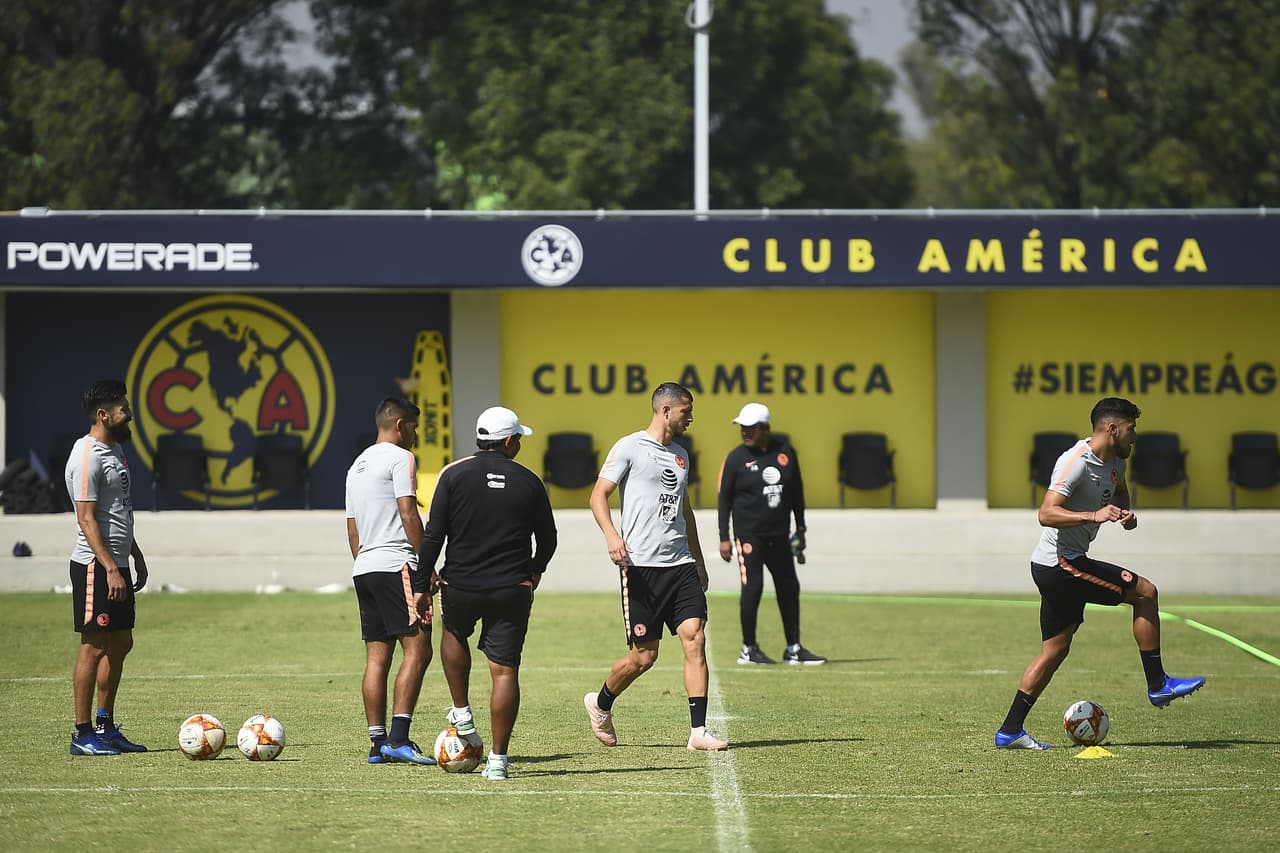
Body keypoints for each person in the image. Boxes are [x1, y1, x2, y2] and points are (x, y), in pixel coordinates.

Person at [995, 397, 1206, 750]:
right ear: (1113, 428)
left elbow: (1118, 493)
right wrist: (1094, 516)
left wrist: (1125, 513)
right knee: (1146, 592)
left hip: (1063, 563)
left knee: (1055, 651)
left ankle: (1010, 731)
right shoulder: (1075, 461)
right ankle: (1158, 684)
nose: (1134, 436)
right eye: (1131, 428)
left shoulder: (1116, 462)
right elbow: (1047, 514)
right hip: (1060, 563)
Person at [583, 382, 727, 751]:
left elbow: (685, 510)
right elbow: (598, 494)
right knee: (643, 657)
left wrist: (696, 557)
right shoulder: (629, 446)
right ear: (665, 411)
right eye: (686, 411)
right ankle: (600, 704)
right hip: (641, 568)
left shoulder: (681, 455)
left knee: (695, 637)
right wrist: (612, 536)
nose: (691, 418)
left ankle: (698, 733)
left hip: (679, 565)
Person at [419, 406, 557, 781]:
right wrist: (535, 569)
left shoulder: (453, 475)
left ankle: (461, 711)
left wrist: (420, 585)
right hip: (512, 588)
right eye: (520, 439)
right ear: (509, 441)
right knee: (504, 671)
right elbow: (548, 539)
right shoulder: (529, 481)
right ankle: (498, 761)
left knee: (453, 632)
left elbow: (434, 535)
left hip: (460, 583)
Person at [346, 397, 435, 765]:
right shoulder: (401, 459)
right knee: (419, 648)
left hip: (365, 566)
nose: (416, 433)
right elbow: (408, 511)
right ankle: (399, 738)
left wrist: (365, 562)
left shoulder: (357, 465)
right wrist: (427, 564)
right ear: (400, 425)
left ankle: (377, 743)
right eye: (414, 426)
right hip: (396, 562)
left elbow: (352, 527)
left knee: (377, 656)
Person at [64, 379, 149, 755]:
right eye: (122, 409)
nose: (129, 414)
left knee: (122, 642)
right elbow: (86, 519)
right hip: (95, 568)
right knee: (94, 646)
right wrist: (110, 568)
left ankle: (106, 725)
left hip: (117, 563)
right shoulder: (87, 456)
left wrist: (135, 553)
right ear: (103, 414)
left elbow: (117, 514)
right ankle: (82, 735)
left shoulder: (115, 451)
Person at [717, 403, 826, 666]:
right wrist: (724, 536)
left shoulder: (785, 453)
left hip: (780, 536)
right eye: (742, 427)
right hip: (749, 537)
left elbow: (797, 492)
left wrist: (801, 527)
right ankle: (749, 649)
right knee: (753, 588)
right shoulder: (735, 459)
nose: (744, 432)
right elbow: (724, 499)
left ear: (765, 428)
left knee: (789, 588)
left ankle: (794, 648)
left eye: (750, 428)